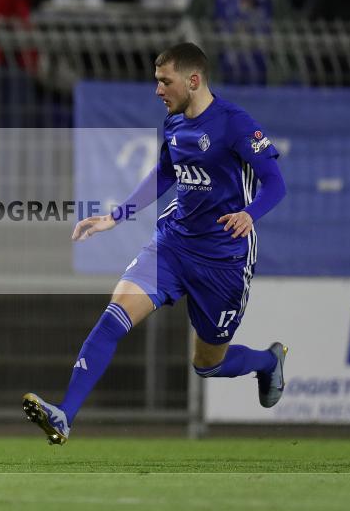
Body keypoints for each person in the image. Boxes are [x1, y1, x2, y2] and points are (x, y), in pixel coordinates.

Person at [23, 43, 288, 444]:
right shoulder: (175, 122)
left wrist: (249, 214)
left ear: (193, 80)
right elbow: (165, 174)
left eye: (165, 81)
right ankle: (64, 416)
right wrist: (116, 216)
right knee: (113, 316)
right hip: (173, 245)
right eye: (157, 81)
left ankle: (268, 362)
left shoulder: (234, 123)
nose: (158, 90)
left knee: (208, 364)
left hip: (224, 259)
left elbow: (276, 183)